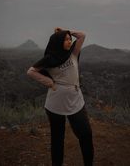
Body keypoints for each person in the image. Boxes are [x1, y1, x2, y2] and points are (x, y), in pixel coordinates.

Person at [27, 27, 94, 166]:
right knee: (57, 139)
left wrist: (65, 31)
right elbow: (31, 71)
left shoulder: (73, 53)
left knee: (85, 134)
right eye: (66, 40)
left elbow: (81, 36)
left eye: (70, 39)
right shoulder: (50, 59)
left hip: (75, 100)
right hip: (55, 103)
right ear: (57, 42)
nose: (69, 42)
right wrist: (49, 82)